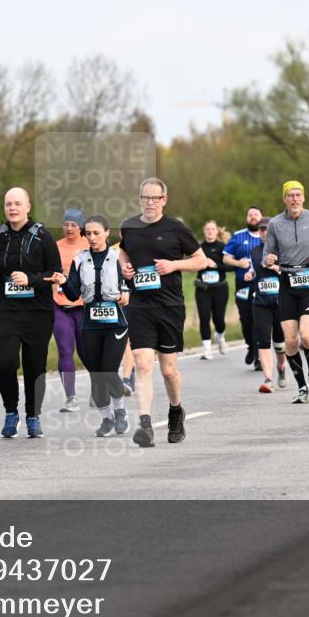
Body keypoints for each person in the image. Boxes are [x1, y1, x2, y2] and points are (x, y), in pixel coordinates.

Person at [119, 178, 206, 447]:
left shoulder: (176, 229)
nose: (150, 203)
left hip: (169, 306)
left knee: (168, 370)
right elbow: (122, 251)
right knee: (143, 364)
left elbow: (201, 260)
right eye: (145, 197)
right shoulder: (129, 227)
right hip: (140, 306)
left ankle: (176, 410)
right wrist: (125, 267)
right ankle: (145, 425)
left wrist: (174, 265)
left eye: (155, 198)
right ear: (139, 199)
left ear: (164, 200)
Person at [0, 187, 62, 438]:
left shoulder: (43, 236)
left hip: (37, 312)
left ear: (28, 207)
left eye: (17, 203)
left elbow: (55, 272)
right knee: (5, 362)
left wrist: (31, 280)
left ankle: (32, 415)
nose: (12, 208)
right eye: (8, 204)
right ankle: (10, 412)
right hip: (6, 310)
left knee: (34, 366)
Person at [47, 216, 131, 436]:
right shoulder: (80, 260)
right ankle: (106, 419)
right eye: (89, 234)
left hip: (116, 323)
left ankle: (120, 411)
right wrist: (63, 282)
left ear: (106, 233)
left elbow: (130, 282)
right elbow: (74, 294)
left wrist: (127, 293)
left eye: (96, 233)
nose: (92, 238)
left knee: (109, 371)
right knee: (96, 374)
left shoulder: (117, 258)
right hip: (91, 323)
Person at [262, 181, 309, 404]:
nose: (294, 199)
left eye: (298, 195)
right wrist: (269, 259)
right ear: (284, 199)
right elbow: (266, 255)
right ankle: (302, 386)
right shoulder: (275, 224)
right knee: (291, 341)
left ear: (303, 198)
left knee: (306, 335)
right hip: (286, 283)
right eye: (290, 195)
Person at [244, 216, 288, 392]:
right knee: (262, 341)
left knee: (280, 344)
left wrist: (275, 267)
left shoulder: (284, 250)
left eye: (267, 229)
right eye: (261, 229)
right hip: (260, 302)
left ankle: (281, 367)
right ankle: (268, 378)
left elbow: (291, 271)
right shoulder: (254, 251)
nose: (264, 232)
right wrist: (250, 275)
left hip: (280, 302)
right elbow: (252, 269)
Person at [52, 208, 89, 412]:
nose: (69, 228)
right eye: (66, 224)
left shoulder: (89, 245)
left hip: (83, 307)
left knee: (87, 351)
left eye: (73, 225)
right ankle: (71, 397)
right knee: (65, 349)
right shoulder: (55, 247)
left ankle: (99, 387)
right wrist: (57, 275)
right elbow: (45, 272)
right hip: (60, 306)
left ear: (81, 226)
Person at [222, 207, 263, 370]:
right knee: (246, 319)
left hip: (262, 284)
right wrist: (238, 263)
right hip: (243, 285)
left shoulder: (267, 236)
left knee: (259, 319)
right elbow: (225, 258)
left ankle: (260, 355)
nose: (253, 217)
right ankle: (251, 346)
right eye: (250, 215)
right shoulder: (238, 236)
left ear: (261, 217)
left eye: (256, 215)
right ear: (246, 218)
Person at [195, 220, 230, 360]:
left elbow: (231, 267)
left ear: (217, 231)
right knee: (204, 317)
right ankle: (207, 350)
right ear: (204, 231)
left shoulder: (223, 247)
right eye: (207, 229)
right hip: (203, 289)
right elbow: (190, 265)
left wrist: (216, 265)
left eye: (212, 229)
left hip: (220, 288)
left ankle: (220, 336)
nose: (210, 231)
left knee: (219, 319)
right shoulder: (198, 248)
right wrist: (202, 264)